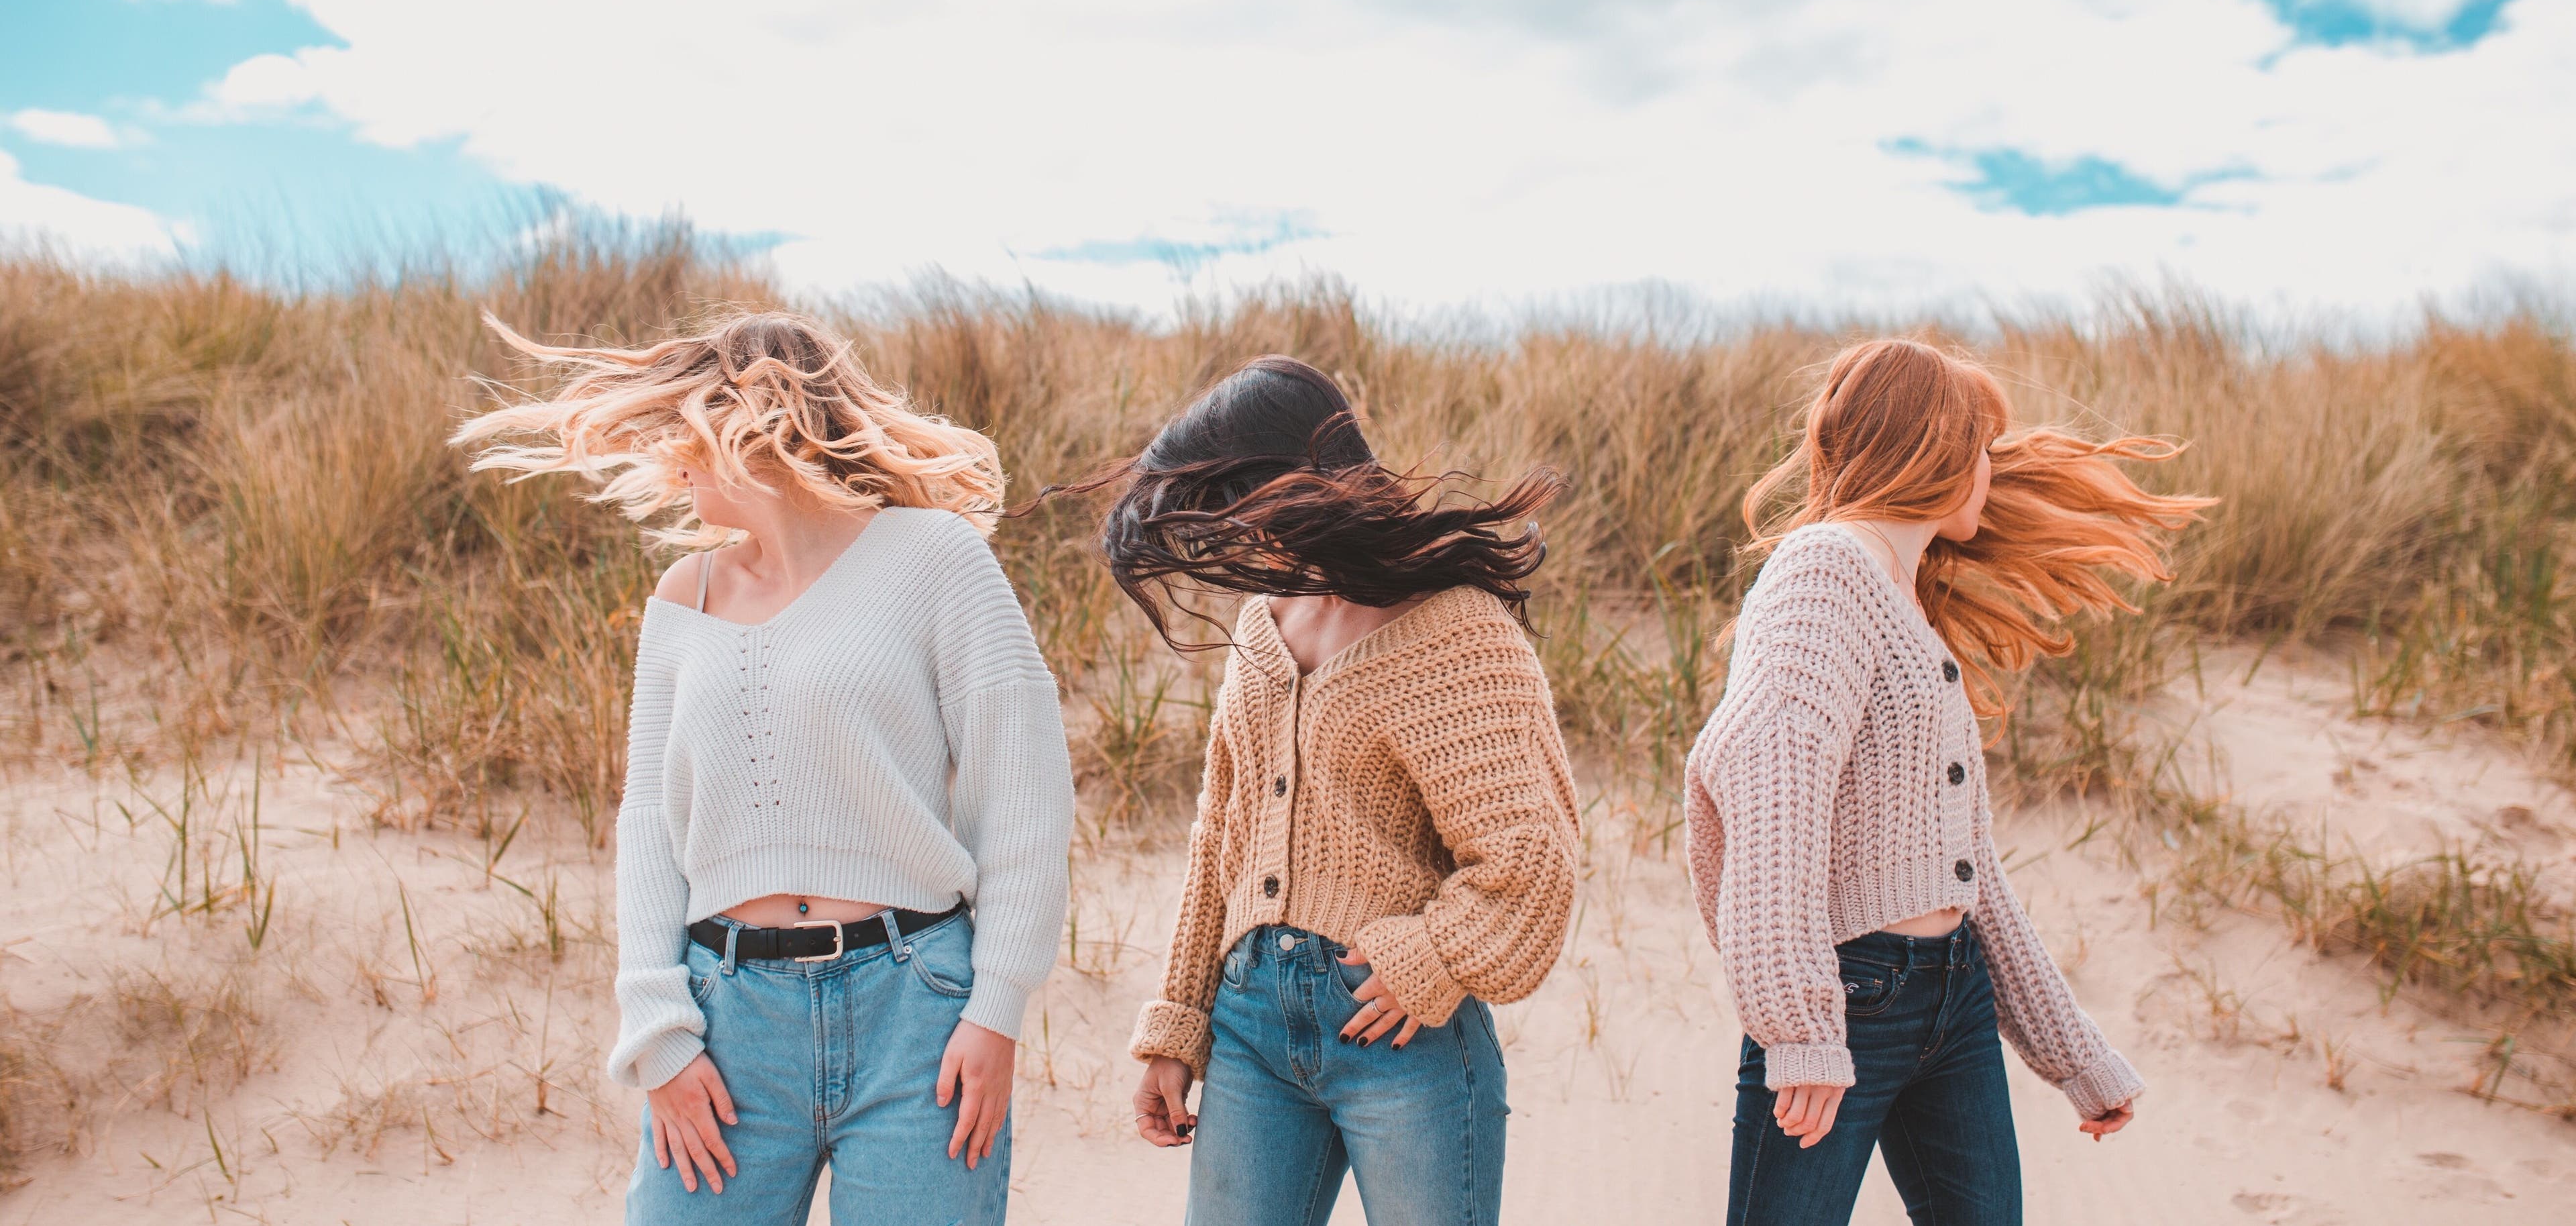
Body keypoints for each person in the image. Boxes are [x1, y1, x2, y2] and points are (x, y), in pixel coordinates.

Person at [453, 311, 1073, 1225]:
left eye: (685, 430)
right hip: (727, 1019)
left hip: (919, 1012)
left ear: (753, 423)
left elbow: (1023, 796)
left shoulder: (939, 561)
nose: (672, 457)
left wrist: (997, 1009)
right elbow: (649, 827)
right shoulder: (684, 597)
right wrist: (657, 1030)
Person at [1684, 338, 2212, 1226]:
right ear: (1930, 447)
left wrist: (2073, 1058)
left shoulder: (1900, 592)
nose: (1990, 470)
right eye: (1980, 446)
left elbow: (1968, 871)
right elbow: (1771, 792)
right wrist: (1801, 1028)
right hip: (1849, 996)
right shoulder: (1825, 572)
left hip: (1953, 994)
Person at [1083, 356, 1580, 1226]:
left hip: (1400, 1036)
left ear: (1295, 486)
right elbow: (1221, 836)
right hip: (1248, 1030)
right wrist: (1179, 1024)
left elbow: (1532, 861)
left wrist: (1435, 960)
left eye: (1237, 510)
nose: (1233, 541)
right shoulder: (1262, 622)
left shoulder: (1455, 629)